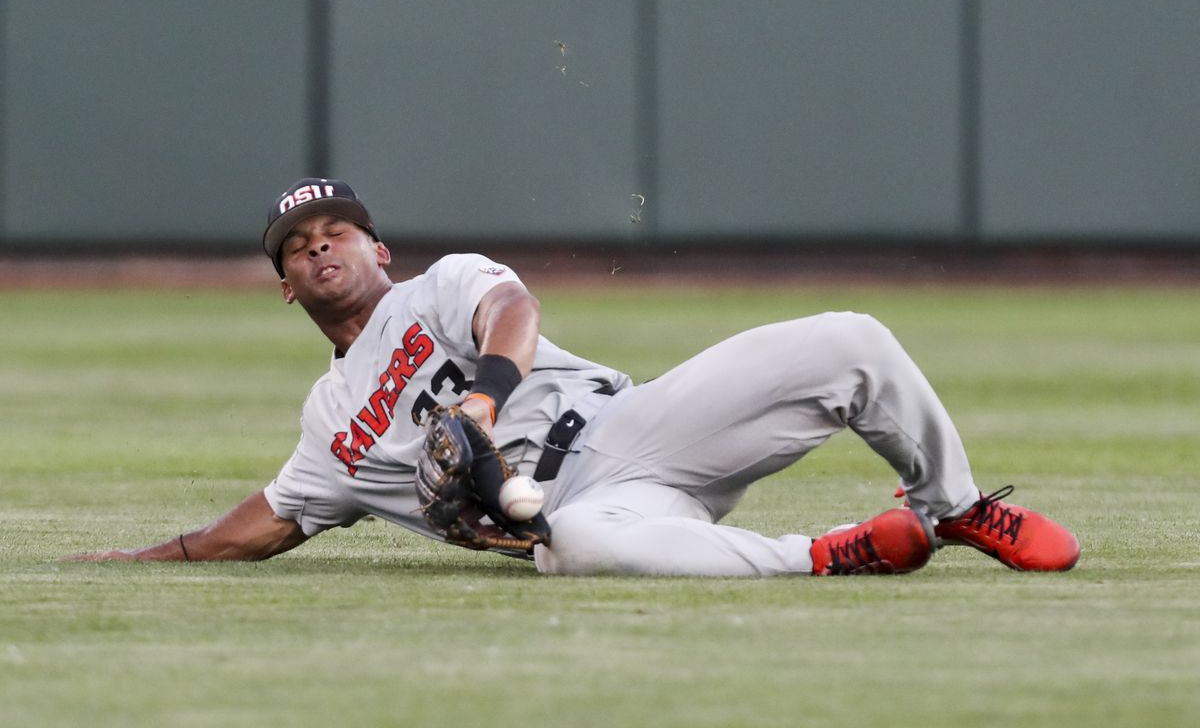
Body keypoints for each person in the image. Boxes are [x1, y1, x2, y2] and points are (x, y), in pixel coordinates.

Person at [73, 178, 1081, 575]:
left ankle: (950, 505)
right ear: (287, 289)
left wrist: (479, 398)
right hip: (572, 509)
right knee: (582, 546)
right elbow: (268, 517)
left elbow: (510, 315)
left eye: (336, 230)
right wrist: (146, 556)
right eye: (297, 247)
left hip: (636, 427)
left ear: (380, 246)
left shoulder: (439, 287)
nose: (320, 248)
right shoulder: (330, 424)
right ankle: (829, 553)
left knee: (849, 338)